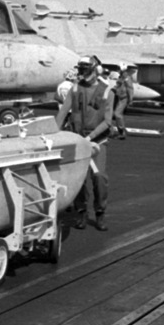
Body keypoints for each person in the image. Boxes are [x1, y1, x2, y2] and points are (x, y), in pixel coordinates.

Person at [55, 55, 113, 231]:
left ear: (96, 70)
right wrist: (55, 134)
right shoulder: (75, 89)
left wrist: (89, 138)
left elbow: (107, 122)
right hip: (77, 140)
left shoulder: (106, 92)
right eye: (81, 70)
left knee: (99, 177)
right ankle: (81, 212)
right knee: (78, 179)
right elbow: (63, 112)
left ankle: (100, 213)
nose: (83, 74)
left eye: (86, 70)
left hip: (96, 141)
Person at [110, 70, 134, 140]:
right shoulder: (121, 78)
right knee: (112, 114)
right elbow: (117, 86)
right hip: (118, 97)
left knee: (117, 114)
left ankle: (121, 132)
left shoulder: (127, 79)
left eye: (122, 72)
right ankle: (115, 132)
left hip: (124, 98)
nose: (121, 73)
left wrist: (130, 99)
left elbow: (130, 89)